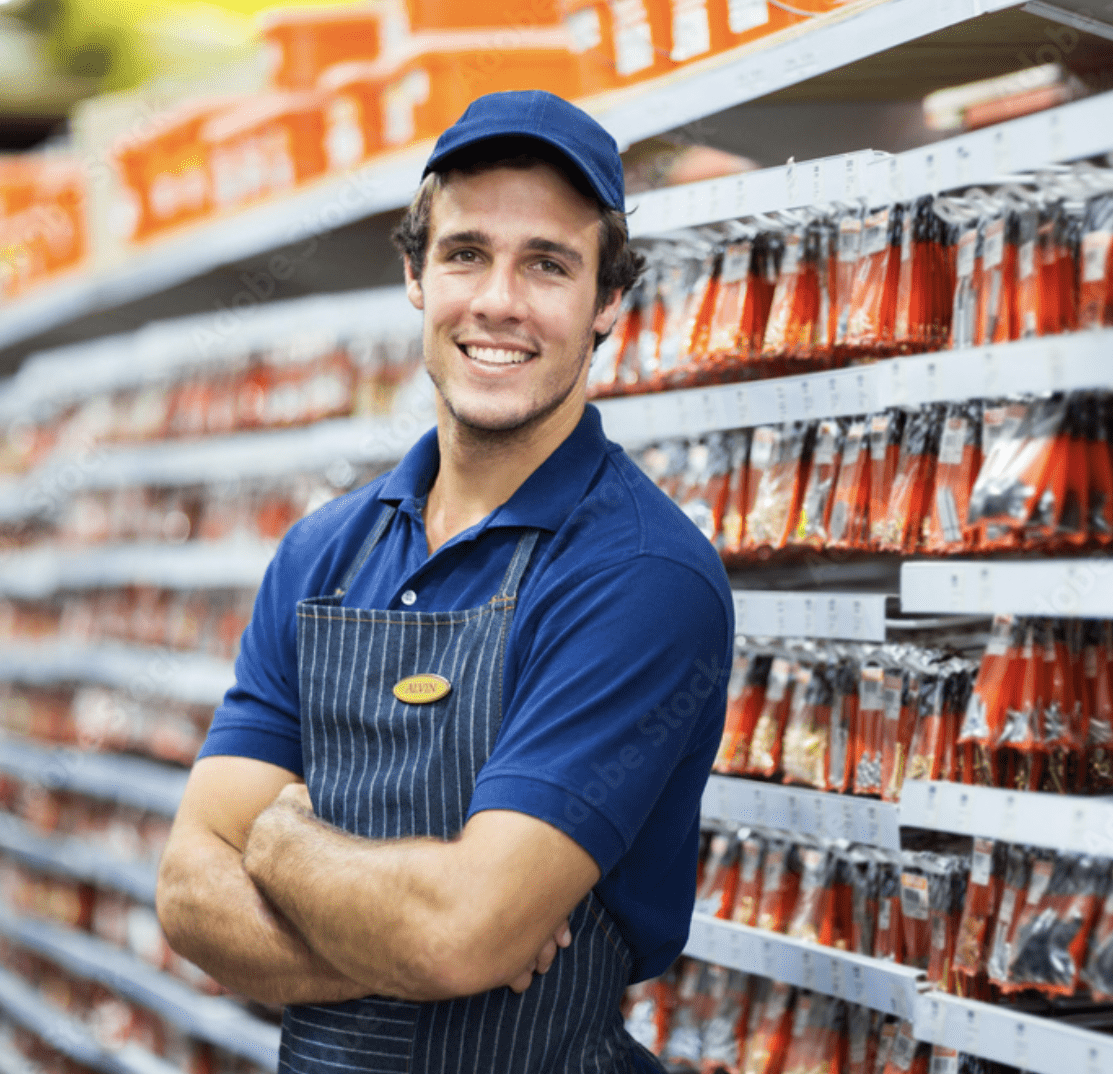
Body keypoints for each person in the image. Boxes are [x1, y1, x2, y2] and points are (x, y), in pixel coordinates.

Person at [155, 90, 734, 1074]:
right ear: (417, 274)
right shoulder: (323, 554)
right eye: (466, 252)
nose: (499, 300)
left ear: (607, 304)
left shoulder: (636, 576)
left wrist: (283, 845)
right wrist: (413, 941)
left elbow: (463, 935)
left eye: (547, 264)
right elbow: (188, 898)